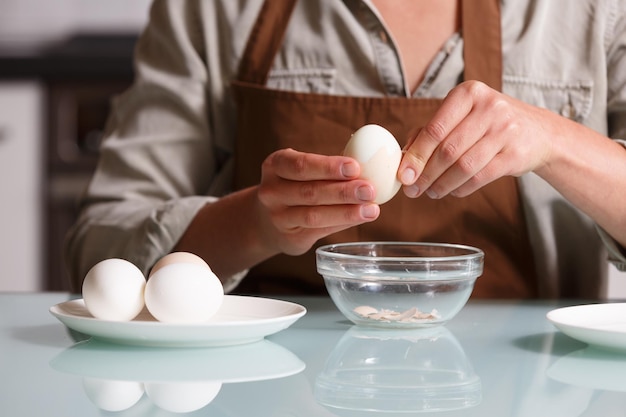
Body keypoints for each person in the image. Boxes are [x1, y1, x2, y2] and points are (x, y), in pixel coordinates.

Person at [64, 0, 626, 298]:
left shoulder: (588, 11)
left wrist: (557, 142)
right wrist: (256, 225)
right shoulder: (215, 10)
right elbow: (98, 250)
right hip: (264, 389)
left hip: (532, 393)